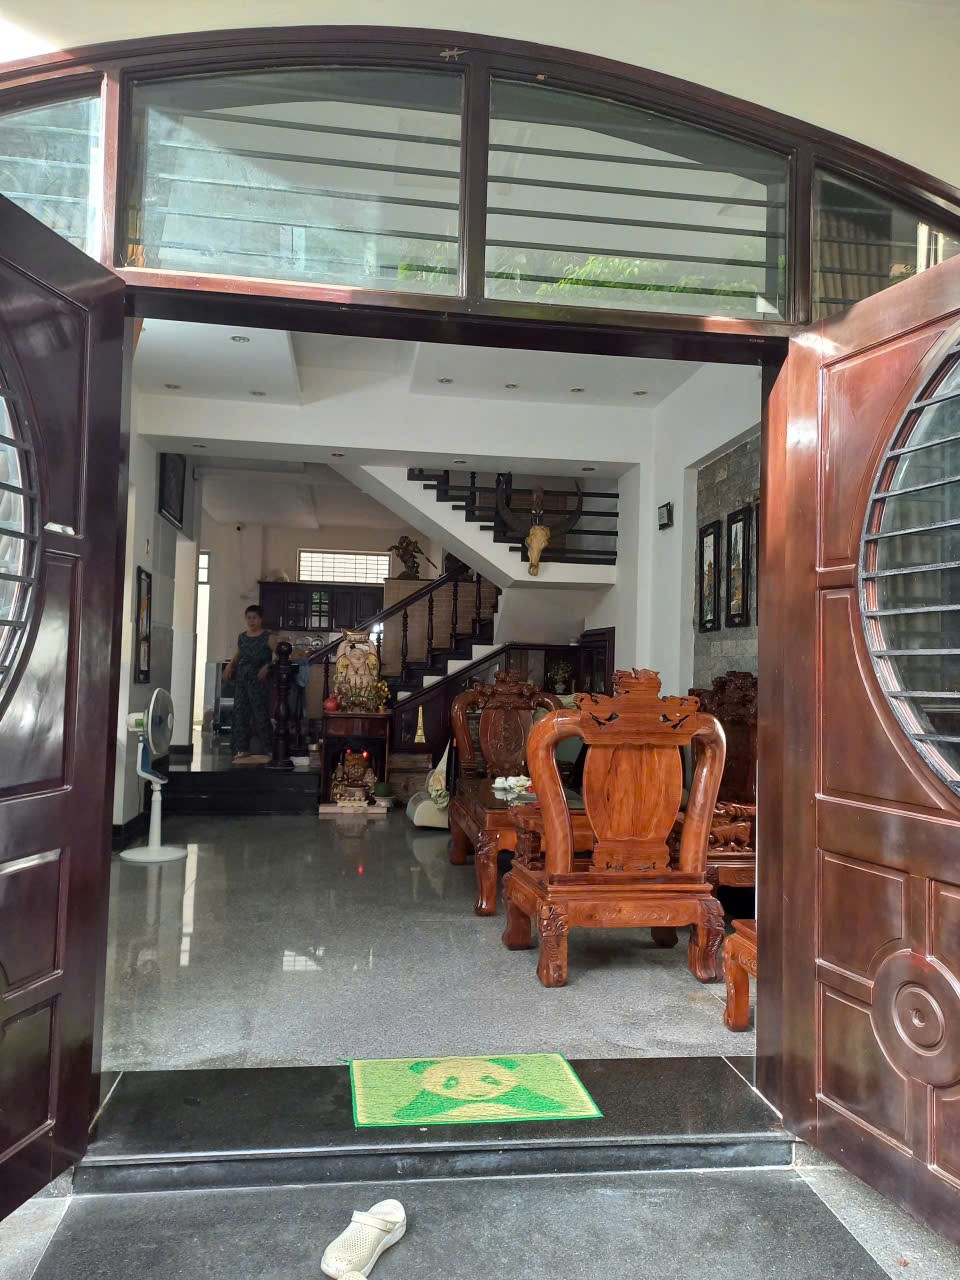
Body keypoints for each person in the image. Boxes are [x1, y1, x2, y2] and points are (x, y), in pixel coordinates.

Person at [224, 605, 276, 763]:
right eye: (249, 618)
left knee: (261, 715)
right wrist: (230, 665)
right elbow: (239, 653)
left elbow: (279, 656)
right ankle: (242, 749)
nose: (251, 621)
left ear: (260, 619)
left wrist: (268, 667)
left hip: (259, 682)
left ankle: (270, 749)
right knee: (240, 714)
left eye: (254, 618)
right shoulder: (242, 637)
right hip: (242, 680)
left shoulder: (268, 637)